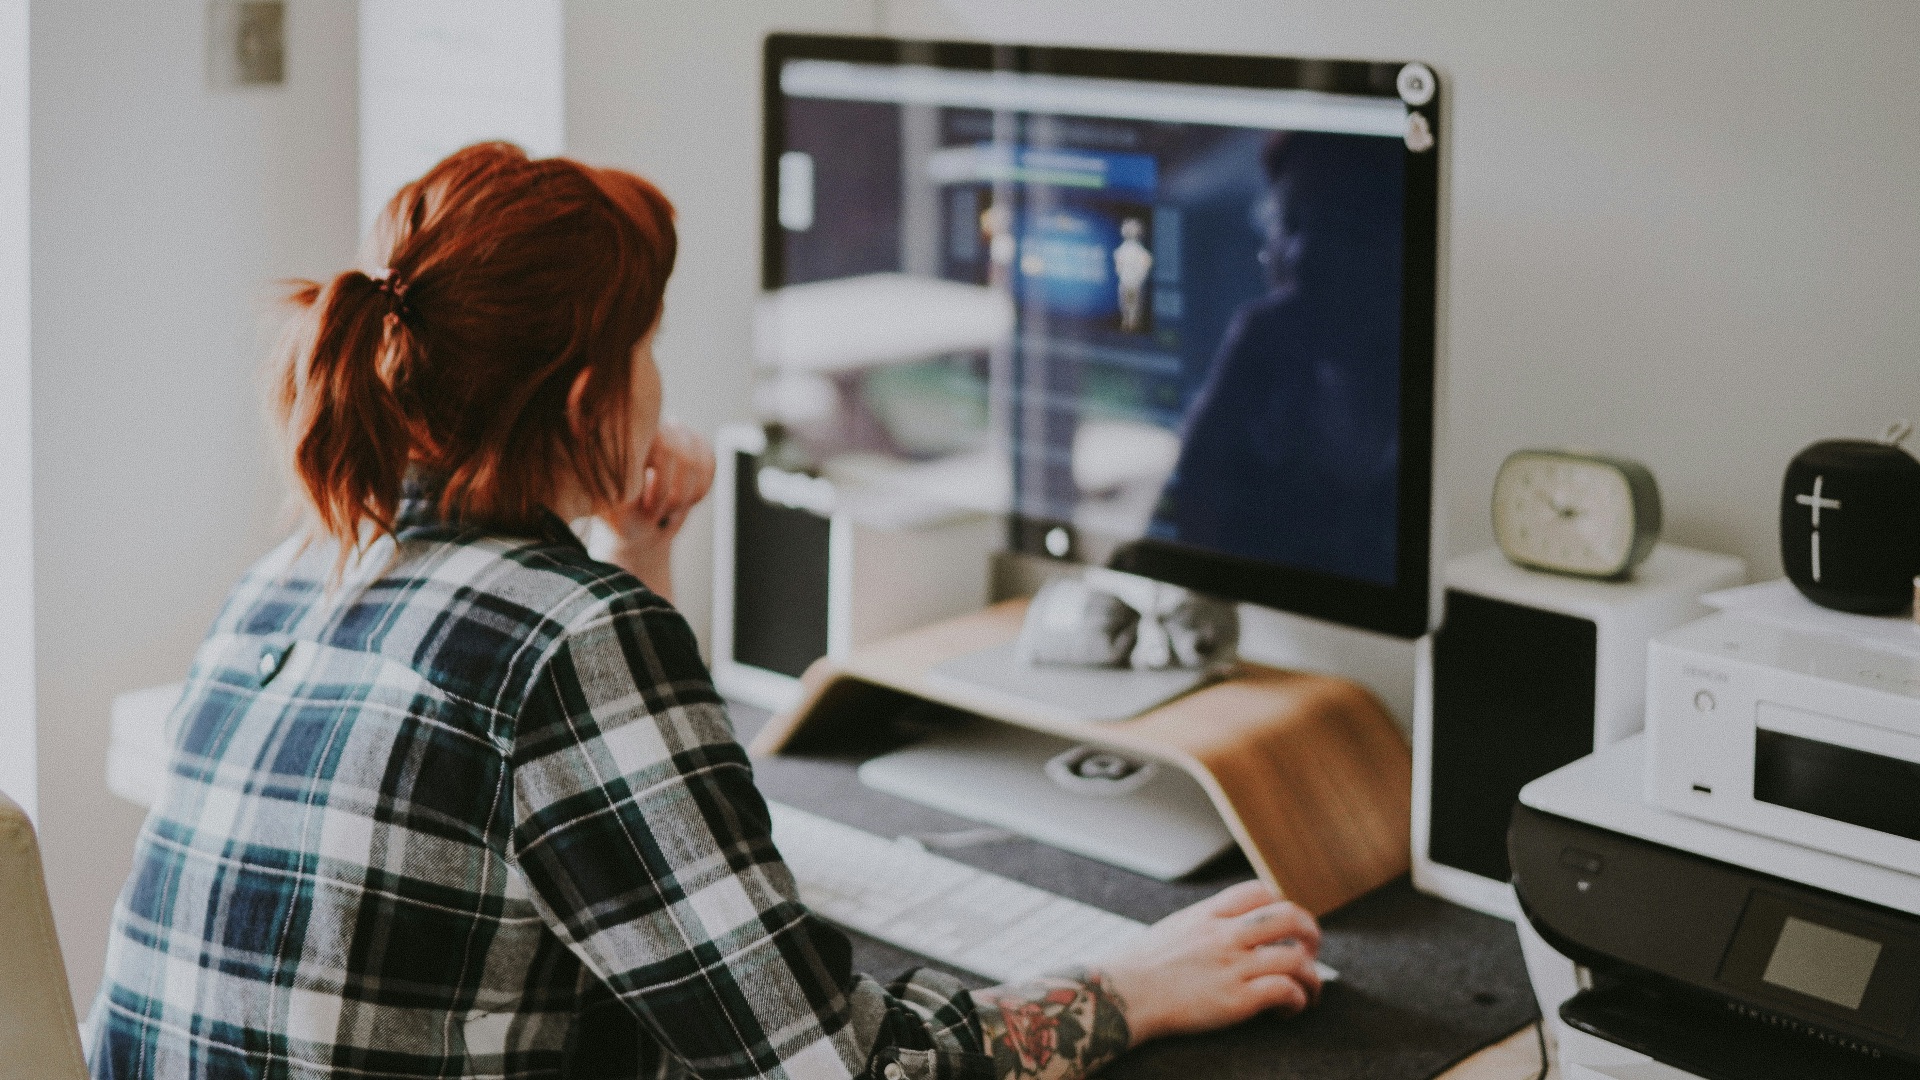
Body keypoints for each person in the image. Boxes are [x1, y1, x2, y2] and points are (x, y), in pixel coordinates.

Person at [86, 142, 1324, 1080]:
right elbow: (836, 1066)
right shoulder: (566, 638)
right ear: (589, 400)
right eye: (650, 343)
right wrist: (1132, 987)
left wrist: (631, 554)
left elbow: (616, 862)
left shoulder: (299, 569)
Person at [1151, 131, 1406, 586]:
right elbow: (1175, 533)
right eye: (1288, 223)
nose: (1304, 254)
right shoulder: (1262, 358)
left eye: (1336, 224)